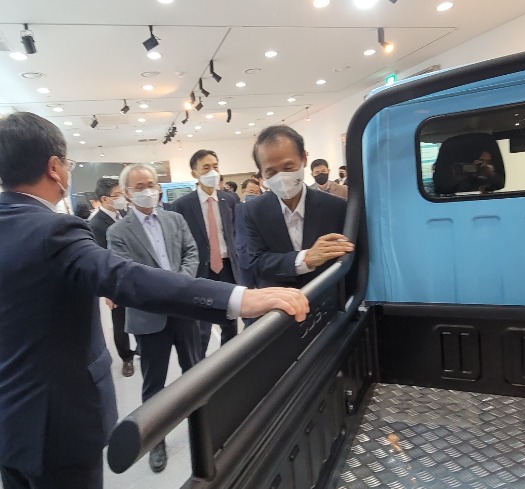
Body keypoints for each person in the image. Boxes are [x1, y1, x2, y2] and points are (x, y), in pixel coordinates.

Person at [0, 112, 308, 489]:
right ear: (54, 167)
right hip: (57, 423)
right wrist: (239, 297)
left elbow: (187, 253)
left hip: (11, 420)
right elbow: (124, 277)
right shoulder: (54, 230)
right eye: (67, 163)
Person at [107, 164, 205, 473]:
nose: (147, 190)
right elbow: (127, 275)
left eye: (151, 184)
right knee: (154, 384)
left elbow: (191, 252)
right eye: (139, 186)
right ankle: (155, 440)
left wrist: (180, 287)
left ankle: (203, 425)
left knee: (196, 372)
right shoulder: (117, 232)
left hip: (185, 311)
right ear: (127, 193)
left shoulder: (175, 219)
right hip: (148, 318)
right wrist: (169, 292)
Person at [245, 125, 354, 288]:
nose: (281, 177)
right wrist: (305, 259)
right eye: (271, 172)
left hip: (325, 297)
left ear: (304, 158)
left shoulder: (336, 208)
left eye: (288, 168)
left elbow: (349, 261)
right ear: (261, 173)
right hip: (279, 300)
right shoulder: (253, 211)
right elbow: (256, 262)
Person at [171, 150, 240, 355]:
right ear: (195, 173)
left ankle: (229, 359)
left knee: (230, 320)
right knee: (202, 326)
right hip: (201, 268)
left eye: (215, 166)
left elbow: (235, 232)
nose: (213, 172)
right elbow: (178, 242)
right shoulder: (182, 205)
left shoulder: (230, 199)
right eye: (206, 168)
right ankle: (199, 363)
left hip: (228, 267)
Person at [88, 178, 136, 377]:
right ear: (105, 199)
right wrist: (108, 291)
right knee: (120, 321)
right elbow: (100, 259)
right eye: (117, 195)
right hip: (115, 281)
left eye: (122, 194)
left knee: (139, 315)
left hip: (134, 273)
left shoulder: (125, 214)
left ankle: (139, 347)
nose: (122, 199)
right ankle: (126, 358)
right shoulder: (96, 224)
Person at [235, 179, 262, 289]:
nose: (254, 195)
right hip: (243, 255)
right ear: (243, 192)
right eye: (251, 192)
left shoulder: (263, 209)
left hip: (261, 256)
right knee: (245, 290)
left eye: (257, 193)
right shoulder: (235, 209)